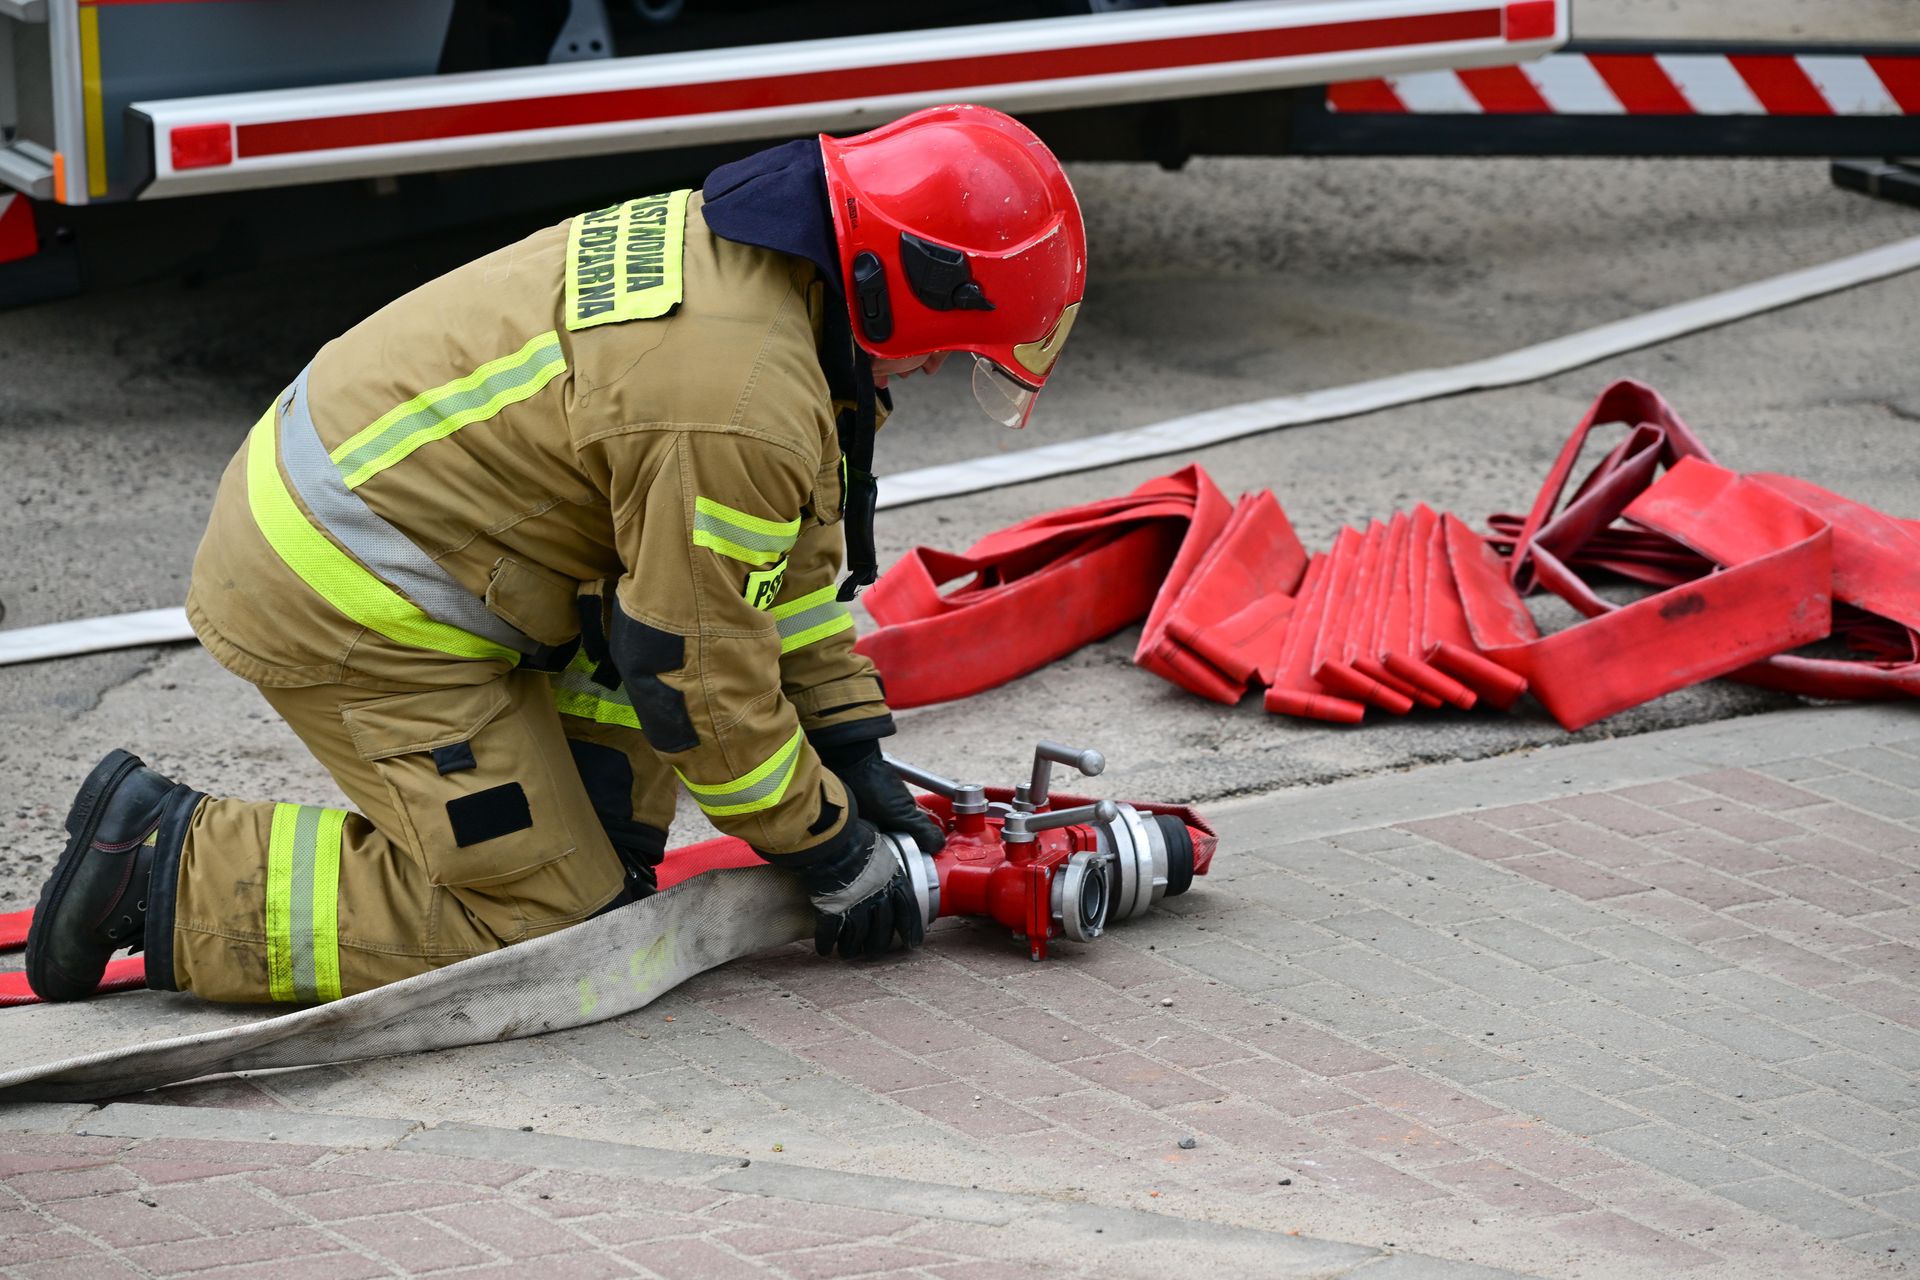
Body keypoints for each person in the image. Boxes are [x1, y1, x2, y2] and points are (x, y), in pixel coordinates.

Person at [25, 104, 1087, 1004]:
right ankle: (166, 866)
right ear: (913, 281)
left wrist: (854, 745)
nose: (949, 371)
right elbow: (700, 680)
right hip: (346, 589)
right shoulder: (742, 400)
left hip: (422, 541)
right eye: (962, 346)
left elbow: (777, 580)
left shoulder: (777, 288)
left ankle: (567, 839)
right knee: (553, 925)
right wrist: (831, 848)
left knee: (611, 859)